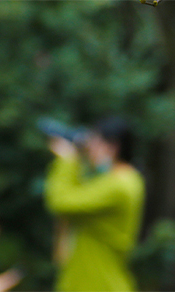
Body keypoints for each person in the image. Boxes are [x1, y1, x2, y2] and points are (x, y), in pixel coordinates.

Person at [45, 117, 145, 291]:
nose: (89, 147)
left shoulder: (120, 185)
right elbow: (75, 197)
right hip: (89, 281)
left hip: (99, 284)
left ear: (112, 147)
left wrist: (67, 161)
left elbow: (60, 201)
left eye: (94, 141)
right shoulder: (116, 180)